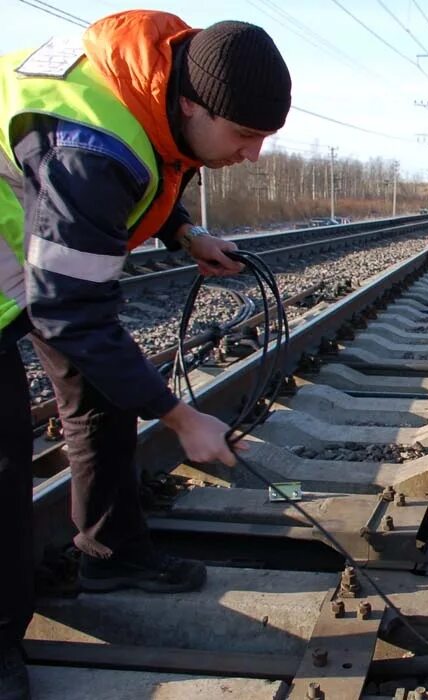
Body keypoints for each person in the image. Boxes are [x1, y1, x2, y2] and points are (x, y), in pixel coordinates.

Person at [0, 10, 291, 697]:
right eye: (245, 136)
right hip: (26, 265)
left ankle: (111, 555)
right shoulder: (89, 150)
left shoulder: (160, 77)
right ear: (191, 105)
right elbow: (71, 309)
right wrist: (180, 417)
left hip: (35, 254)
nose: (253, 155)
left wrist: (184, 232)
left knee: (100, 394)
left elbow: (161, 158)